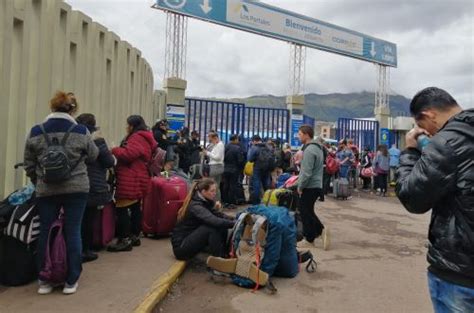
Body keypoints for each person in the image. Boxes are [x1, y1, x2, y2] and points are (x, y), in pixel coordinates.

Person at [396, 87, 474, 313]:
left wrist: (410, 152)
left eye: (421, 125)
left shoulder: (447, 143)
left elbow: (413, 198)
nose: (425, 131)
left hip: (459, 273)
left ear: (429, 115)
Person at [24, 91, 99, 295]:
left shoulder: (35, 131)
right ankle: (70, 281)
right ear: (72, 109)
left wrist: (39, 181)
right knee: (73, 231)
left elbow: (29, 164)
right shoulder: (81, 130)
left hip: (46, 189)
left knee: (46, 230)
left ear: (51, 107)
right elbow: (93, 155)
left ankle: (45, 280)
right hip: (77, 189)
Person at [109, 115, 157, 252]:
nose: (126, 127)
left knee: (122, 207)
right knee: (135, 207)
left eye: (127, 125)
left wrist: (114, 149)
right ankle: (134, 236)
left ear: (132, 126)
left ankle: (124, 240)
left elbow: (129, 154)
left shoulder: (136, 137)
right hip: (139, 175)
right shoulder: (145, 137)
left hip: (131, 177)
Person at [76, 113, 115, 263]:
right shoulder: (97, 142)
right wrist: (103, 143)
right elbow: (109, 161)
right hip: (94, 186)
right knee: (88, 220)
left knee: (77, 220)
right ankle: (86, 250)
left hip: (76, 184)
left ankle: (77, 250)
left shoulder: (74, 138)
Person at [171, 178, 235, 261]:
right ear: (204, 192)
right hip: (181, 248)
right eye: (212, 191)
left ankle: (224, 254)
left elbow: (219, 215)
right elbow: (214, 221)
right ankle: (218, 262)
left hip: (189, 240)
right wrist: (235, 224)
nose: (214, 194)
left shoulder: (205, 201)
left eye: (215, 191)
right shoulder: (196, 206)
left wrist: (236, 219)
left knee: (222, 225)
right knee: (212, 227)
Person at [296, 125, 330, 250]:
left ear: (306, 134)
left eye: (299, 134)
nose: (298, 136)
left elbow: (306, 172)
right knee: (308, 211)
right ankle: (313, 236)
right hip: (316, 185)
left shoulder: (309, 150)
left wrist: (300, 186)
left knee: (304, 211)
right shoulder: (318, 148)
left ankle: (318, 233)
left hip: (310, 185)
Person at [247, 135, 273, 204]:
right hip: (267, 169)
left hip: (257, 168)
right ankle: (268, 201)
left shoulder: (255, 148)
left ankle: (256, 202)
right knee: (266, 185)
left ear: (254, 141)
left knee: (256, 185)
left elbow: (250, 159)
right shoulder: (269, 147)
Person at [222, 135, 245, 208]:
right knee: (232, 186)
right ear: (235, 139)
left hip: (225, 168)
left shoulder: (225, 147)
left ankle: (225, 201)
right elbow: (240, 160)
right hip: (234, 169)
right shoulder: (237, 148)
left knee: (226, 185)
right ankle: (231, 202)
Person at [204, 131, 225, 202]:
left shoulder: (219, 145)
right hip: (215, 166)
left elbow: (218, 157)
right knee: (215, 185)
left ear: (215, 138)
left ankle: (215, 202)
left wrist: (207, 153)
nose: (211, 142)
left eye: (211, 140)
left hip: (216, 167)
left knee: (214, 186)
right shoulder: (217, 145)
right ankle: (216, 202)